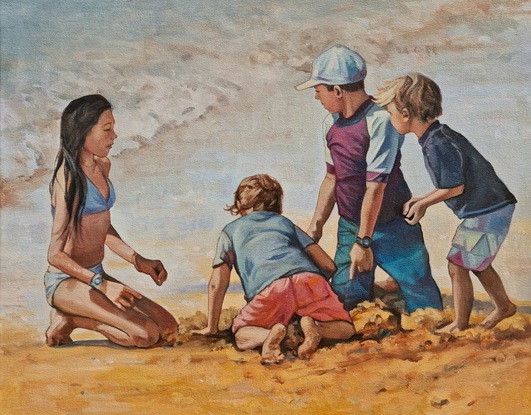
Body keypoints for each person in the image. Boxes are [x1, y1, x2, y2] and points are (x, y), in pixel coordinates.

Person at [296, 44, 442, 312]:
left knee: (423, 301)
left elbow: (375, 187)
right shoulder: (330, 124)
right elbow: (332, 178)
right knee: (344, 299)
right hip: (352, 224)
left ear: (337, 90)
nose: (317, 98)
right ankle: (381, 293)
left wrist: (364, 243)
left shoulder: (381, 119)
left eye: (318, 91)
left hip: (394, 224)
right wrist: (316, 225)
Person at [373, 72, 518, 332]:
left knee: (457, 265)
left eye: (390, 112)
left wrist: (424, 204)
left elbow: (455, 186)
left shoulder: (437, 144)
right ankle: (504, 306)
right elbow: (449, 184)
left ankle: (460, 323)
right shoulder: (438, 136)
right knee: (477, 263)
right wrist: (423, 198)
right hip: (493, 207)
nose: (389, 118)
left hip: (487, 210)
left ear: (405, 113)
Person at [44, 94, 178, 348]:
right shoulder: (67, 179)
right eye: (107, 129)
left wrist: (137, 260)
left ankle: (79, 314)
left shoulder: (103, 166)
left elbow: (103, 228)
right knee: (145, 335)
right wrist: (102, 286)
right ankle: (71, 320)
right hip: (67, 281)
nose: (114, 136)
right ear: (83, 131)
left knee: (169, 328)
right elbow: (55, 255)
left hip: (97, 275)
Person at [192, 174, 354, 362]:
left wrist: (211, 327)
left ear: (239, 204)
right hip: (308, 279)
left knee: (241, 334)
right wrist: (315, 286)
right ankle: (317, 328)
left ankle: (267, 337)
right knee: (346, 327)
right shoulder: (284, 223)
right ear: (276, 204)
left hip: (270, 289)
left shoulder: (230, 231)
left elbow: (217, 283)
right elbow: (327, 265)